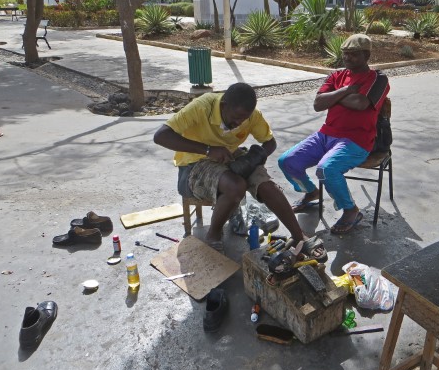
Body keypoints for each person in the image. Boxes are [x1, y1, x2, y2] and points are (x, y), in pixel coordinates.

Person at [154, 83, 324, 258]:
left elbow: (270, 142)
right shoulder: (203, 106)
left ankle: (298, 236)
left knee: (265, 185)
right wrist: (208, 150)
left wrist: (254, 158)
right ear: (224, 105)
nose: (239, 123)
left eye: (244, 119)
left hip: (229, 156)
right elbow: (160, 135)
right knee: (236, 186)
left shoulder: (250, 116)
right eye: (236, 118)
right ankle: (213, 235)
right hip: (195, 162)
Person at [278, 34, 390, 234]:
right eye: (345, 54)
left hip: (357, 141)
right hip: (325, 135)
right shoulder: (337, 76)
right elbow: (318, 104)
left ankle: (351, 210)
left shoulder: (377, 78)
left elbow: (361, 104)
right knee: (287, 161)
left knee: (326, 169)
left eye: (353, 55)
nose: (347, 58)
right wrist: (346, 90)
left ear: (366, 55)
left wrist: (333, 97)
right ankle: (310, 192)